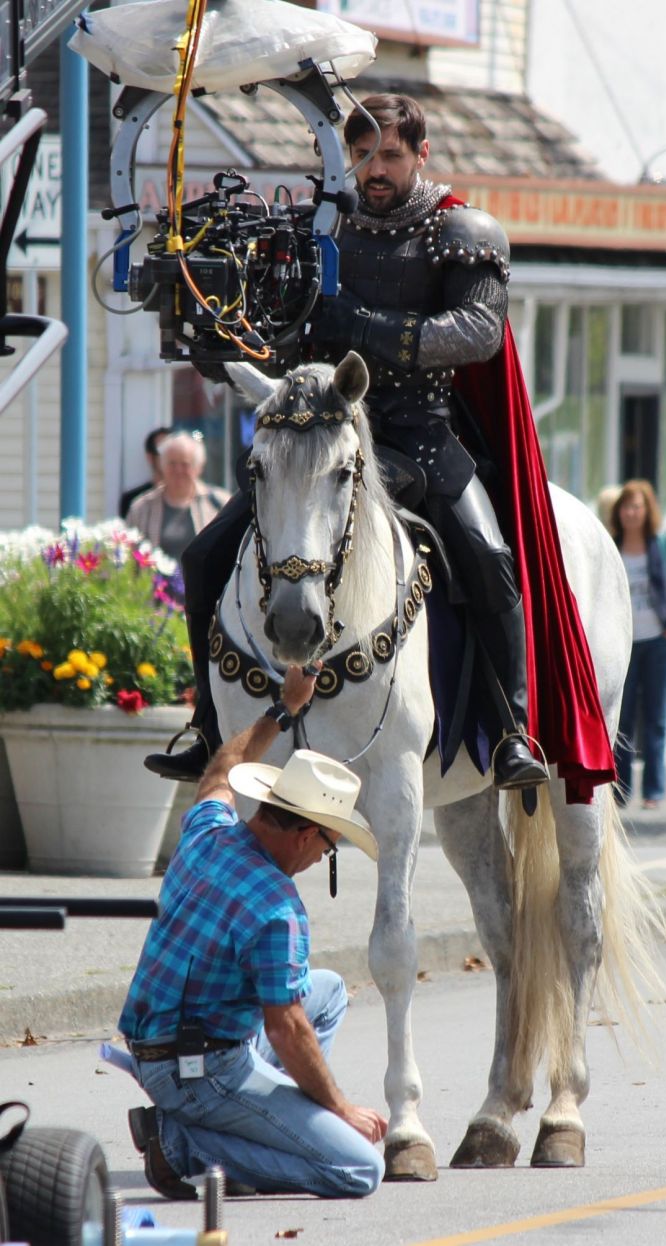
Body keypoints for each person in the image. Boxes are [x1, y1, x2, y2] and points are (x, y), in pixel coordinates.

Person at [144, 92, 552, 793]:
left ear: (420, 155)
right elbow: (280, 338)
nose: (375, 169)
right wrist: (219, 341)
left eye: (390, 154)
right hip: (318, 444)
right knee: (208, 556)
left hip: (421, 443)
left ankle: (513, 727)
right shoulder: (315, 232)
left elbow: (475, 334)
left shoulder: (461, 230)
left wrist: (358, 321)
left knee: (488, 557)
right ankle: (208, 725)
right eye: (363, 154)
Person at [120, 663, 387, 1201]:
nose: (320, 859)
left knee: (329, 990)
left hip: (156, 1047)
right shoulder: (277, 908)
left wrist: (283, 710)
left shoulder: (207, 829)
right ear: (308, 834)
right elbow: (287, 1029)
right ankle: (179, 1146)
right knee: (361, 1169)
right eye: (328, 848)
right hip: (201, 1072)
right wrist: (339, 1109)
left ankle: (261, 1133)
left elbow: (223, 766)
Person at [610, 479, 666, 808]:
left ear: (648, 511)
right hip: (623, 645)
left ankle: (654, 793)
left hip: (658, 643)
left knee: (655, 718)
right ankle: (621, 789)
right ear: (619, 512)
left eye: (637, 506)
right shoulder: (610, 544)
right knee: (622, 718)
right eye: (627, 506)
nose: (632, 512)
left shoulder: (662, 545)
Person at [126, 431, 231, 565]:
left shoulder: (219, 503)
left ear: (198, 468)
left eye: (185, 464)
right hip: (155, 585)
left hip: (202, 585)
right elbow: (128, 556)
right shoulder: (141, 508)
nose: (178, 470)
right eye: (172, 463)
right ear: (162, 465)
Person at [119, 426, 171, 519]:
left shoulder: (195, 498)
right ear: (150, 457)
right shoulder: (132, 500)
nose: (170, 459)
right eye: (163, 452)